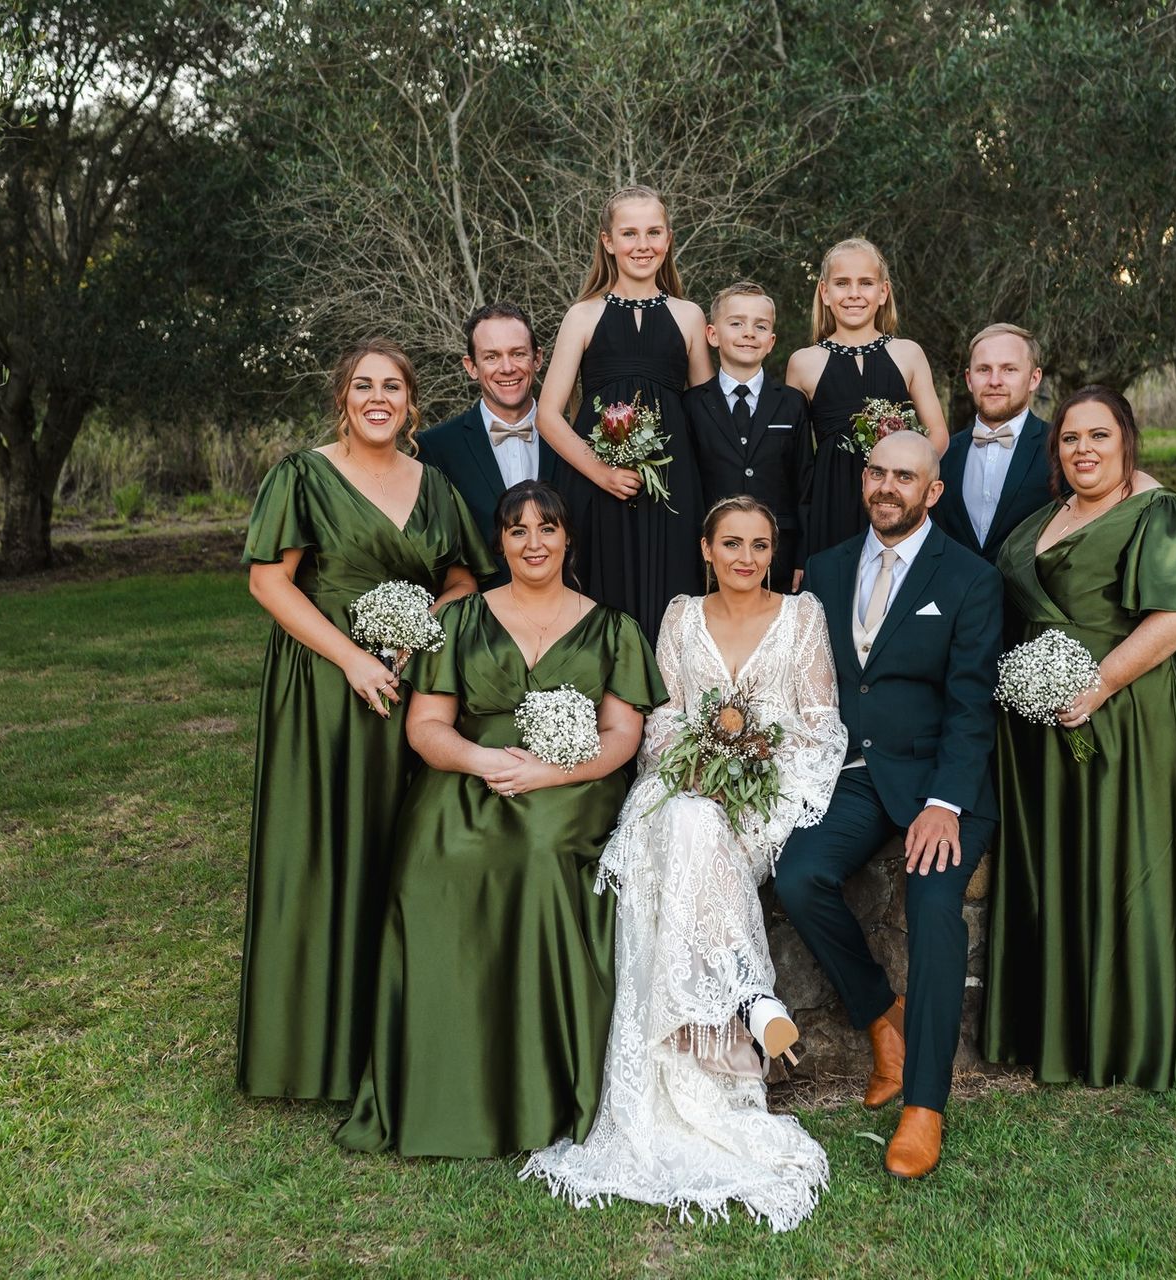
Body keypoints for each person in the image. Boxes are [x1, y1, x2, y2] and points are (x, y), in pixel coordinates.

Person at [524, 497, 846, 1231]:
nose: (745, 558)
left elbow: (820, 729)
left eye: (760, 546)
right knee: (687, 822)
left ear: (773, 552)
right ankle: (748, 999)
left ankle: (733, 1007)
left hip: (765, 804)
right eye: (730, 543)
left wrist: (752, 775)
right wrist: (699, 765)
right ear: (705, 548)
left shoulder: (804, 618)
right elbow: (663, 720)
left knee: (699, 830)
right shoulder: (677, 618)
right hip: (679, 788)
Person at [335, 480, 665, 1157]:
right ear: (500, 542)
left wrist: (548, 772)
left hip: (574, 785)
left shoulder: (613, 627)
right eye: (518, 530)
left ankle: (541, 1091)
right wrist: (482, 762)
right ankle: (440, 1087)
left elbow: (621, 738)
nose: (534, 542)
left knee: (540, 854)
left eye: (547, 528)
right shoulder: (459, 621)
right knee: (434, 860)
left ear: (568, 538)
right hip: (471, 772)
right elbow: (426, 728)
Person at [982, 385, 1176, 1091]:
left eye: (1099, 437)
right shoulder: (1048, 516)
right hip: (1051, 724)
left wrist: (1100, 685)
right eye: (1071, 439)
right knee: (1077, 857)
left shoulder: (1159, 513)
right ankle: (1074, 1025)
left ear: (1127, 442)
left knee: (1136, 855)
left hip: (1140, 715)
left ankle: (1144, 1029)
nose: (1084, 451)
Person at [238, 338, 492, 1101]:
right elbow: (267, 583)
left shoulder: (435, 484)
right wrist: (349, 656)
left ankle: (395, 1038)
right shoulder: (302, 476)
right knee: (320, 849)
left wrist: (421, 630)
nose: (377, 398)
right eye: (362, 386)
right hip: (320, 688)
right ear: (342, 398)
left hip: (411, 685)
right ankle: (309, 1052)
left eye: (392, 387)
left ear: (411, 404)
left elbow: (463, 579)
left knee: (398, 847)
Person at [773, 431, 1002, 1181]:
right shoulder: (828, 570)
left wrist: (944, 803)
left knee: (935, 904)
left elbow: (973, 707)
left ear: (933, 491)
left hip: (943, 777)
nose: (888, 486)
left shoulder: (969, 579)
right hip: (856, 774)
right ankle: (882, 1018)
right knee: (799, 873)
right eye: (877, 472)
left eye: (906, 476)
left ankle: (925, 1105)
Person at [536, 185, 713, 642]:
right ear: (608, 242)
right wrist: (602, 473)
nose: (643, 245)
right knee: (600, 599)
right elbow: (549, 416)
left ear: (668, 239)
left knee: (674, 602)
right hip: (598, 490)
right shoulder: (583, 315)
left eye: (653, 232)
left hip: (675, 490)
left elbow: (706, 413)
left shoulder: (689, 316)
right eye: (629, 233)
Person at [786, 238, 949, 563]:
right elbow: (795, 461)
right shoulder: (803, 362)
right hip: (830, 504)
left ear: (883, 291)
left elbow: (938, 435)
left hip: (898, 501)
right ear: (825, 292)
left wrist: (903, 477)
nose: (854, 294)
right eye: (842, 283)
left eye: (866, 283)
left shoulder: (907, 353)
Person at [418, 302, 569, 586]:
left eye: (518, 353)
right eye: (492, 357)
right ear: (471, 366)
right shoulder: (435, 449)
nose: (508, 367)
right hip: (478, 620)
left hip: (570, 616)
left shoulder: (576, 439)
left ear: (537, 359)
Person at [682, 283, 813, 584]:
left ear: (771, 341)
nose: (749, 332)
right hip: (712, 558)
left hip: (778, 555)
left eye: (761, 326)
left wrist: (803, 555)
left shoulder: (792, 403)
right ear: (713, 335)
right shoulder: (691, 404)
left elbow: (805, 486)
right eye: (737, 323)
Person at [934, 323, 1053, 562]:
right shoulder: (943, 452)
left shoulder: (1060, 448)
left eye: (1009, 369)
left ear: (1034, 378)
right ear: (969, 379)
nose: (995, 381)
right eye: (984, 370)